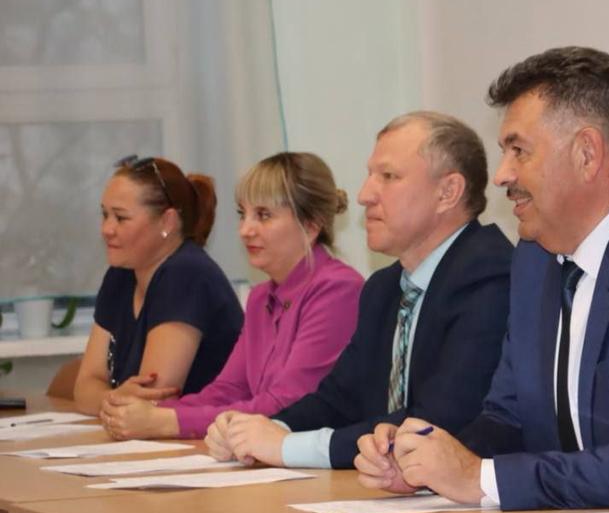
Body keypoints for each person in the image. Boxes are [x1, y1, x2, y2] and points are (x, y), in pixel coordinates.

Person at [355, 46, 609, 510]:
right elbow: (509, 420)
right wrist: (426, 461)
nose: (501, 175)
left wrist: (481, 478)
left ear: (586, 154)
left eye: (519, 151)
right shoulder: (535, 258)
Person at [204, 113, 512, 469]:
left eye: (388, 177)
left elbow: (437, 423)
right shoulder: (383, 287)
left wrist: (286, 447)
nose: (364, 195)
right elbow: (339, 399)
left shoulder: (490, 275)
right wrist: (263, 430)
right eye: (370, 175)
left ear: (447, 192)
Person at [100, 152, 364, 439]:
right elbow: (228, 390)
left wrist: (165, 421)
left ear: (311, 225)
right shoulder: (261, 297)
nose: (245, 230)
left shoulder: (338, 290)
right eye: (242, 214)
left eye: (263, 215)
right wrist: (147, 412)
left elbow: (288, 405)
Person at [74, 156, 243, 416]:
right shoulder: (121, 274)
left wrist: (107, 398)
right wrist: (113, 398)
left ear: (167, 222)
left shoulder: (187, 274)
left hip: (206, 435)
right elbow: (84, 388)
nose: (107, 229)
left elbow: (153, 400)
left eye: (121, 218)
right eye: (105, 215)